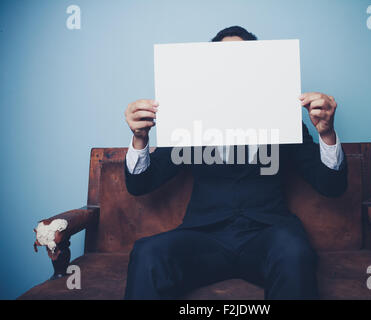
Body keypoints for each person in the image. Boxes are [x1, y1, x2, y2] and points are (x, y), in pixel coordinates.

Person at [123, 26, 347, 300]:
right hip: (204, 238)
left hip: (268, 236)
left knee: (294, 251)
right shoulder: (190, 121)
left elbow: (331, 185)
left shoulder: (283, 119)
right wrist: (140, 138)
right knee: (148, 252)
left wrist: (326, 133)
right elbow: (140, 183)